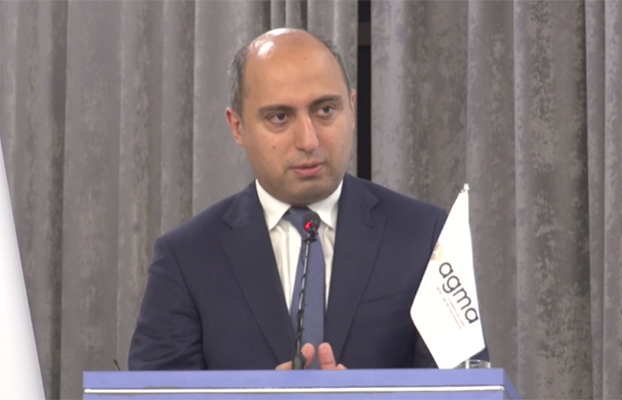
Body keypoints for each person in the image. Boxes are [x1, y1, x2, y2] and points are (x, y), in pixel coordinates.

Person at [128, 28, 447, 371]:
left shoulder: (425, 236)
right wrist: (261, 396)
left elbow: (462, 385)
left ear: (352, 109)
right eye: (279, 117)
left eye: (326, 110)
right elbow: (157, 389)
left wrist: (363, 395)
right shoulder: (186, 257)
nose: (308, 140)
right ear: (237, 126)